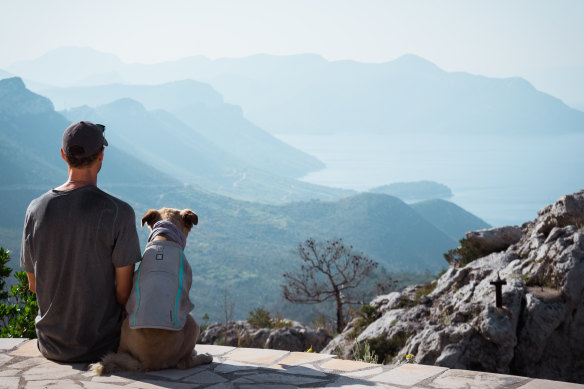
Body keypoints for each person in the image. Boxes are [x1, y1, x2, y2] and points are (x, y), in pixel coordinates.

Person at [20, 121, 142, 362]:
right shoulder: (119, 212)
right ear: (101, 155)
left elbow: (34, 285)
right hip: (103, 345)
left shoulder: (36, 209)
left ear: (63, 155)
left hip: (50, 345)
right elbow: (124, 292)